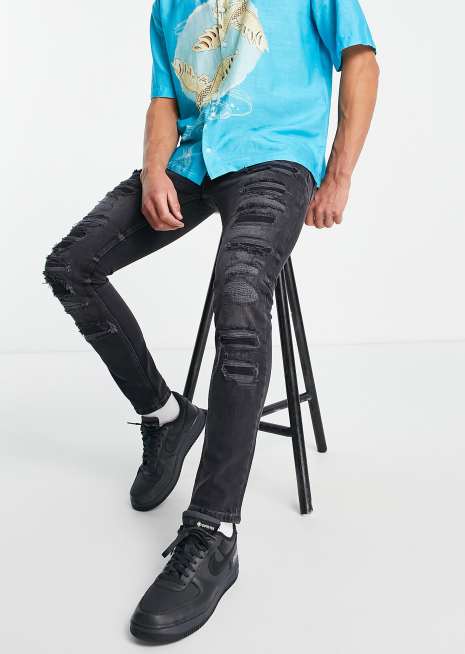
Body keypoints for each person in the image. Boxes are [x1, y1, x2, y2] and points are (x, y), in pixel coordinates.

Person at [43, 0, 379, 643]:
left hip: (276, 160)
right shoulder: (168, 5)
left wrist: (338, 175)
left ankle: (213, 530)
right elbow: (164, 100)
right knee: (71, 266)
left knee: (242, 296)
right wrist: (153, 170)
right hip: (192, 161)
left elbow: (360, 61)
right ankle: (166, 416)